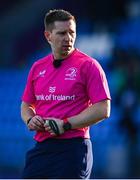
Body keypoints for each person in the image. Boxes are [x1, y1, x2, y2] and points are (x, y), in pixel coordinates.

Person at [21, 9, 111, 179]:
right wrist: (30, 119)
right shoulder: (37, 67)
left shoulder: (89, 66)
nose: (68, 38)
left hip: (74, 148)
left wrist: (65, 124)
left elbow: (103, 109)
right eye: (62, 33)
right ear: (48, 36)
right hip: (42, 148)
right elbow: (26, 104)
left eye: (72, 32)